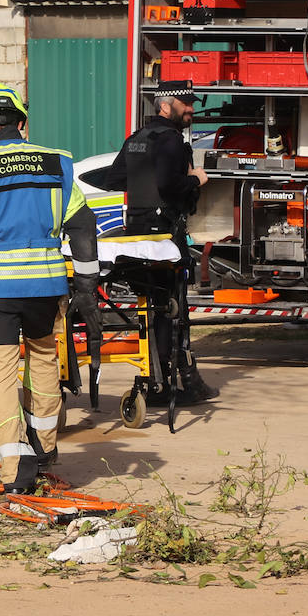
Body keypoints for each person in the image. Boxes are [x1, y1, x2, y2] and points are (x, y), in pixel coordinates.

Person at [0, 86, 98, 492]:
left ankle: (16, 469)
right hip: (46, 288)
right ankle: (44, 452)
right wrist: (85, 283)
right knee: (45, 362)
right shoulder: (57, 163)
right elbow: (82, 224)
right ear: (21, 122)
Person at [101, 79, 216, 402]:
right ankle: (169, 385)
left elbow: (114, 179)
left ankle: (156, 379)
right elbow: (169, 185)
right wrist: (195, 178)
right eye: (186, 103)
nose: (192, 108)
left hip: (136, 233)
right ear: (167, 106)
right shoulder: (170, 141)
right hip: (165, 235)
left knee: (149, 308)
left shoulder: (138, 138)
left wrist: (144, 180)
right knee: (170, 309)